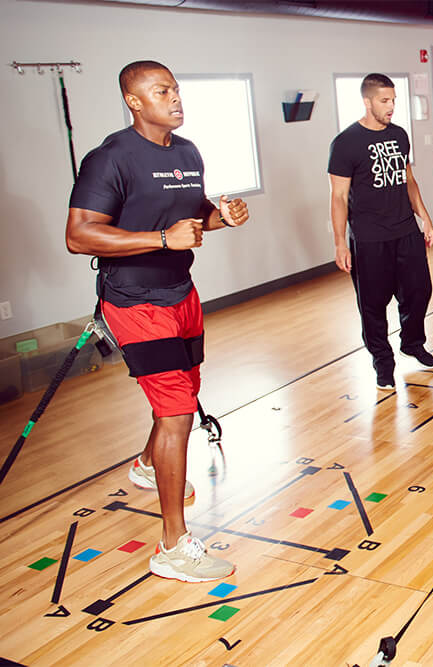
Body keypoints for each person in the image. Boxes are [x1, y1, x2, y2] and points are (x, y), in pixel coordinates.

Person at [66, 60, 248, 582]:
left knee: (185, 393)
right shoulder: (110, 158)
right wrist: (163, 239)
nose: (175, 98)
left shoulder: (187, 152)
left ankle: (148, 465)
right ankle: (172, 546)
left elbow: (193, 215)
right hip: (134, 300)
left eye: (176, 89)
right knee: (177, 412)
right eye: (162, 91)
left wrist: (221, 217)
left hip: (181, 292)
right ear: (134, 101)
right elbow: (79, 235)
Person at [328, 73, 433, 390]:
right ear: (367, 101)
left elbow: (408, 180)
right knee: (373, 307)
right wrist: (340, 243)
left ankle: (412, 343)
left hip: (405, 230)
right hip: (369, 238)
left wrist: (424, 217)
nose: (391, 107)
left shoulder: (399, 135)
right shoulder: (345, 143)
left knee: (420, 291)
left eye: (393, 100)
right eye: (384, 101)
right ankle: (383, 363)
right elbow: (338, 197)